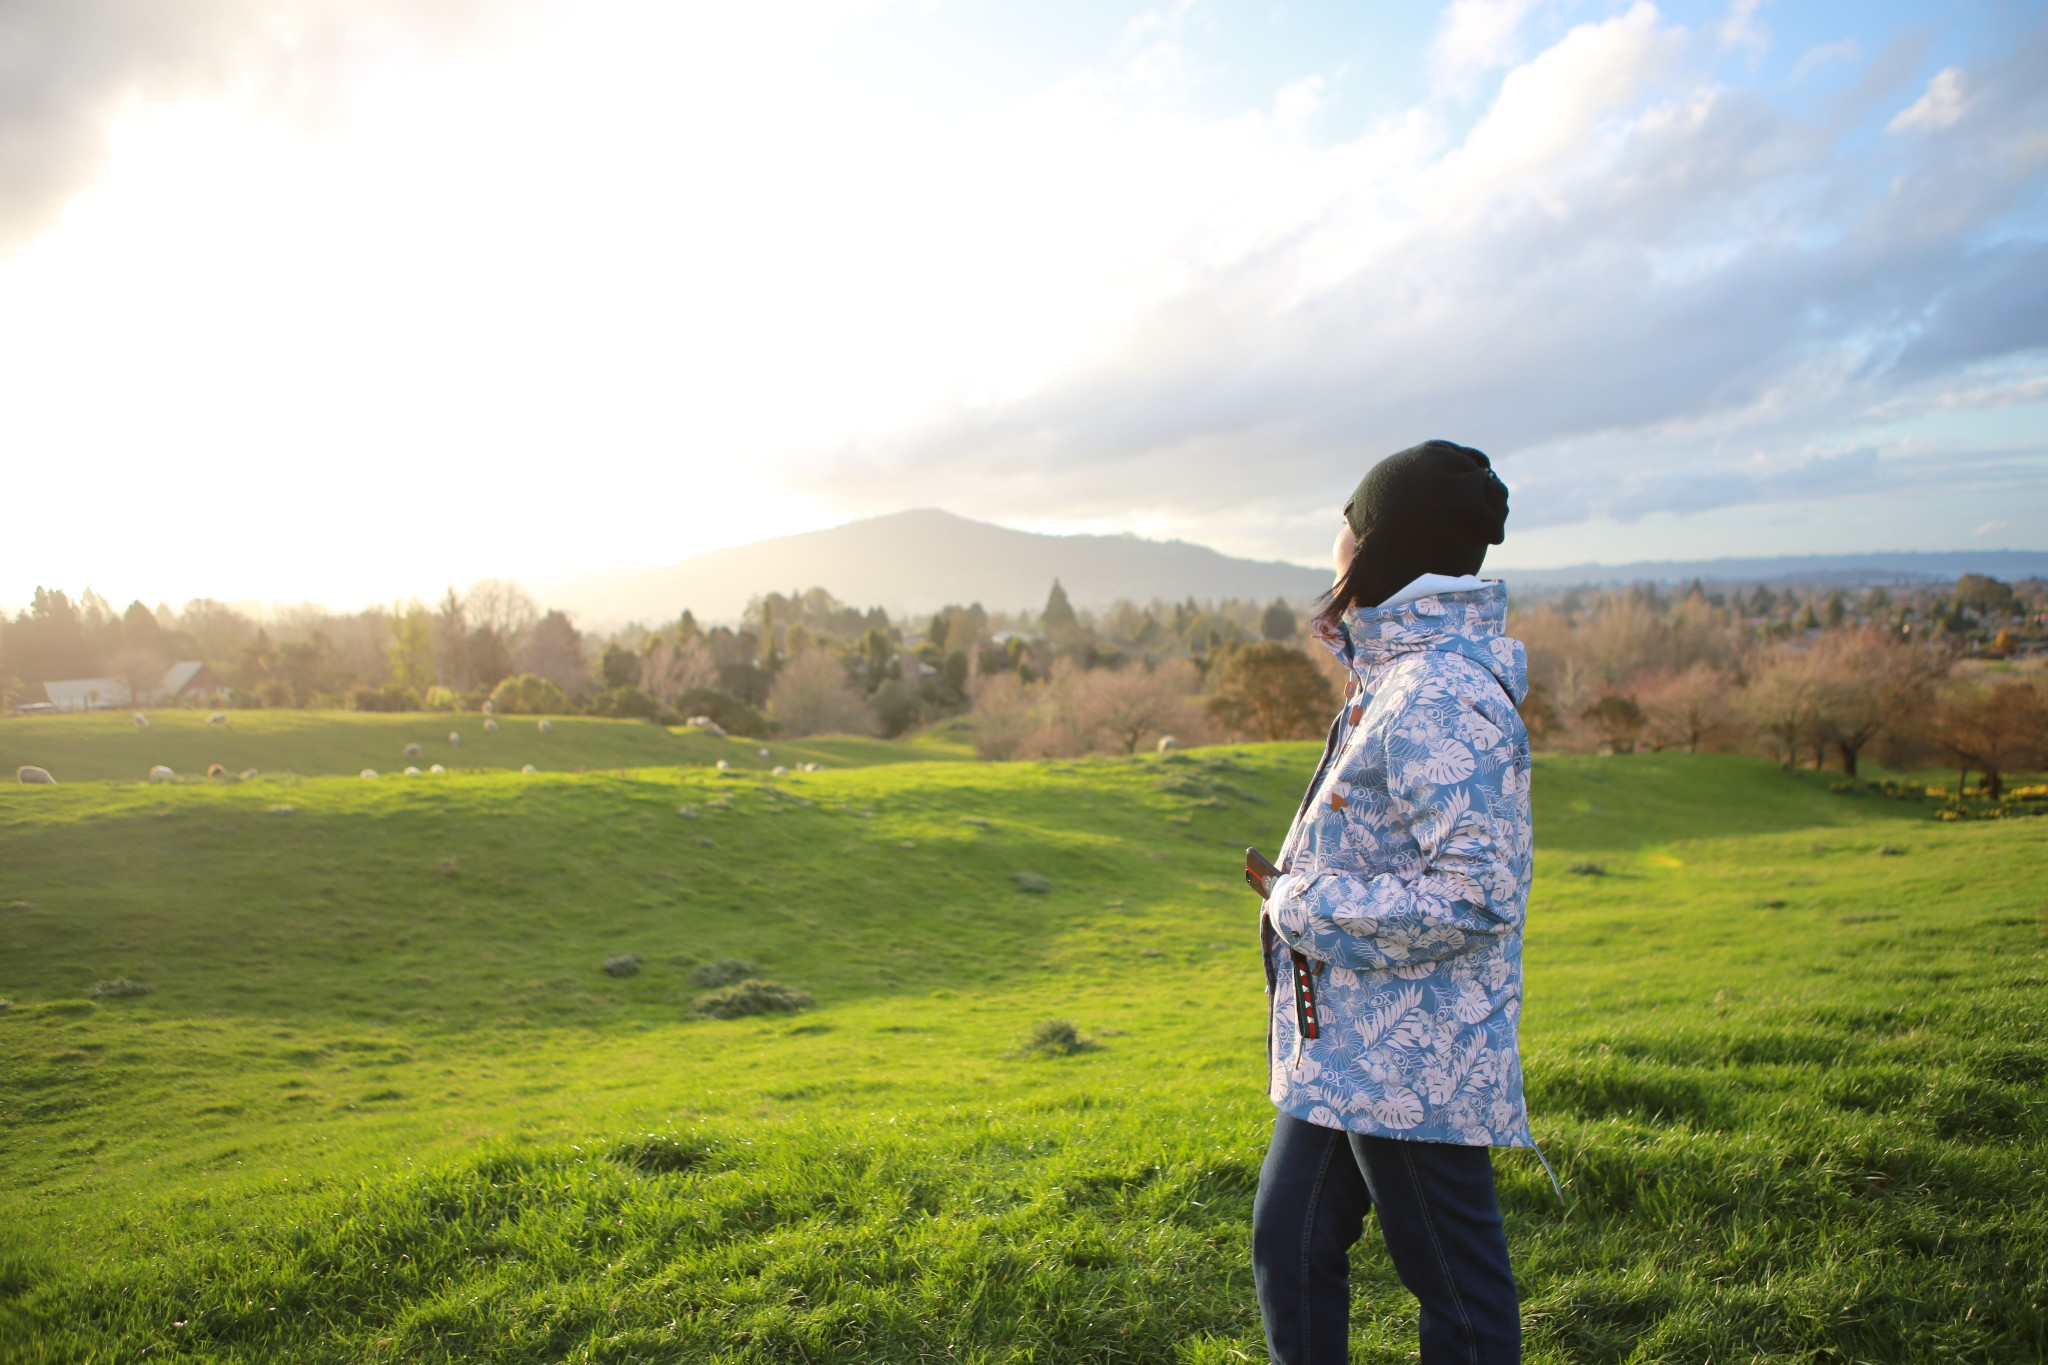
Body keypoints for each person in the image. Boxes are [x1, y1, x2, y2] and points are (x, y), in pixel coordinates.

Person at [1250, 439, 1537, 1365]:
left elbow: (1474, 892)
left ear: (1382, 545)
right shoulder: (1398, 676)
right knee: (1287, 1238)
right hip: (1350, 1038)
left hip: (1415, 1052)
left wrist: (1302, 903)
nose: (1333, 541)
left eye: (1348, 522)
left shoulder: (1442, 693)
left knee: (1455, 1285)